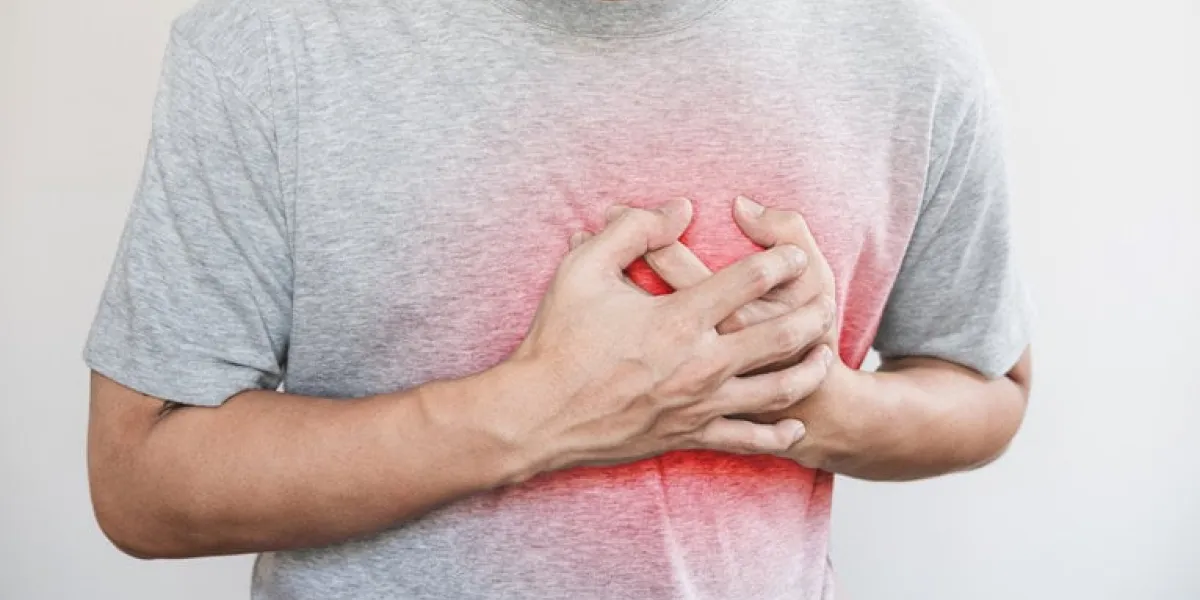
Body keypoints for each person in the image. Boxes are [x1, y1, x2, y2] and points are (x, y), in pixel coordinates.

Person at [83, 0, 1034, 597]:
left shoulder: (914, 56)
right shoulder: (265, 48)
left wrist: (807, 402)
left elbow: (989, 393)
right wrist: (536, 415)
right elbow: (141, 487)